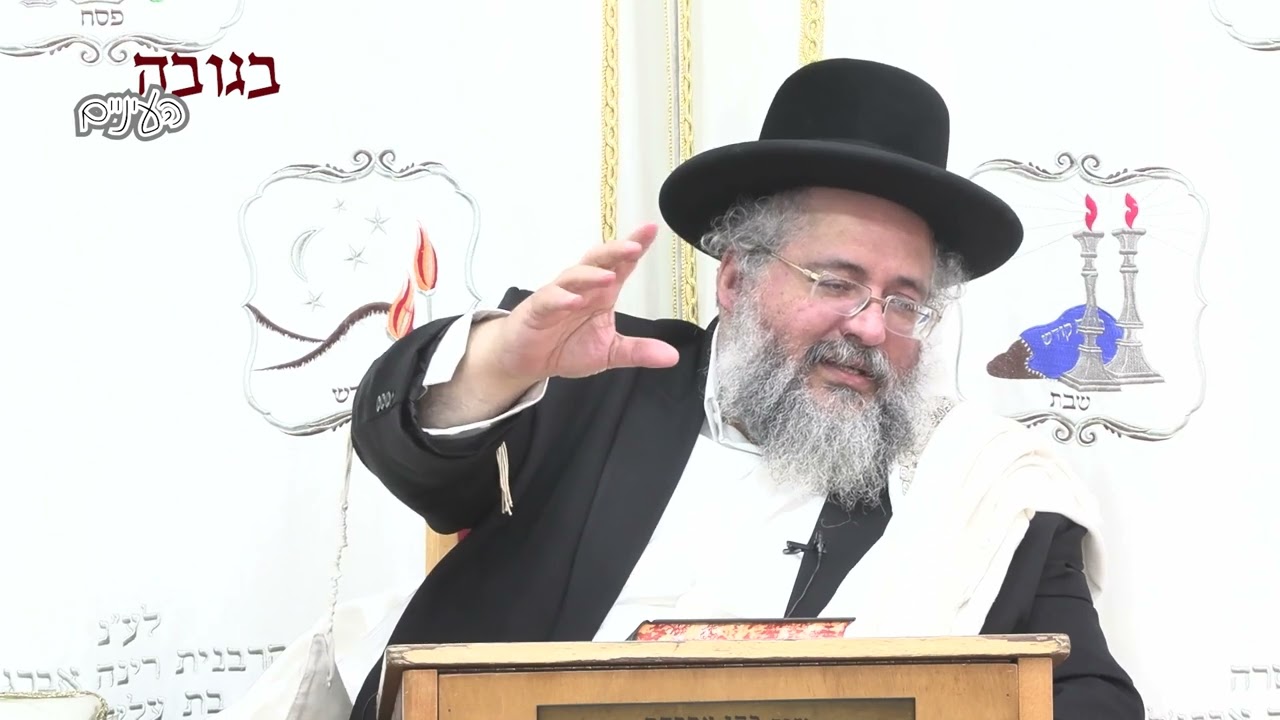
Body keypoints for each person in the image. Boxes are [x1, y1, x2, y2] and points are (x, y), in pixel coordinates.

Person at [347, 58, 1143, 719]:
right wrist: (501, 365)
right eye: (837, 282)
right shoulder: (588, 378)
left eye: (905, 301)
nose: (871, 327)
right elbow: (409, 454)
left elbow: (1091, 697)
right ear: (735, 278)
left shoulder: (986, 489)